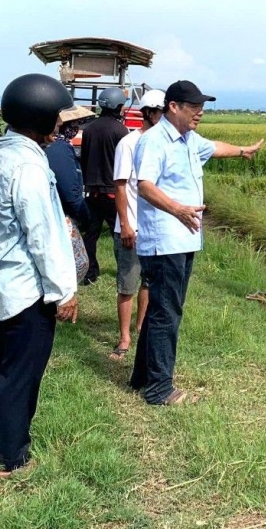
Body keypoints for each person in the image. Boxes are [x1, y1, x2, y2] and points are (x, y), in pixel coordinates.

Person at [0, 74, 79, 478]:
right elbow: (44, 235)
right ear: (41, 115)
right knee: (21, 375)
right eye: (58, 118)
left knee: (1, 369)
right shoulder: (28, 165)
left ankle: (2, 442)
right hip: (27, 287)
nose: (61, 126)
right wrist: (64, 291)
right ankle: (11, 458)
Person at [128, 80, 264, 405]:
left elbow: (214, 147)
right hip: (165, 240)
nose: (199, 112)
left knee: (164, 308)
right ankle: (160, 389)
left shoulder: (188, 139)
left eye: (202, 107)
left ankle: (142, 377)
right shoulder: (154, 142)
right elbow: (144, 185)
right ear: (173, 106)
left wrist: (242, 150)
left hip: (184, 238)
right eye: (193, 107)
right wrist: (177, 209)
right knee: (166, 312)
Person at [108, 88, 166, 360]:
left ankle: (141, 328)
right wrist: (126, 225)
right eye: (161, 112)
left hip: (155, 228)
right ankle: (124, 337)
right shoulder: (128, 143)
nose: (164, 117)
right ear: (149, 113)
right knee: (127, 284)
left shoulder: (163, 144)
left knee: (148, 283)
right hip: (131, 227)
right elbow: (120, 186)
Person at [79, 87, 129, 285]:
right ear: (117, 106)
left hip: (92, 190)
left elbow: (83, 158)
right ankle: (124, 273)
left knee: (91, 233)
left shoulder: (89, 128)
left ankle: (89, 273)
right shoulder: (120, 130)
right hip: (111, 190)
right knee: (119, 233)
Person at [46, 104, 95, 281]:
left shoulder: (54, 146)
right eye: (74, 124)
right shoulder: (60, 148)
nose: (76, 129)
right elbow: (69, 191)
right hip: (60, 216)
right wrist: (84, 215)